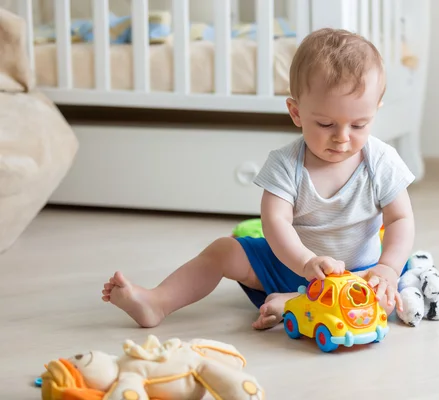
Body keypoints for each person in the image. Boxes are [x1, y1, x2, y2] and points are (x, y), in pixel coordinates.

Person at [101, 28, 416, 330]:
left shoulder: (381, 161)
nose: (342, 138)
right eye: (325, 123)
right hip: (291, 265)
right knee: (224, 249)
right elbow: (275, 222)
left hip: (357, 276)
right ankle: (158, 301)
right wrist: (305, 262)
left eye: (359, 125)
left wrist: (387, 268)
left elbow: (400, 218)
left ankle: (293, 304)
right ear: (296, 113)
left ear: (376, 111)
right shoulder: (285, 164)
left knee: (384, 297)